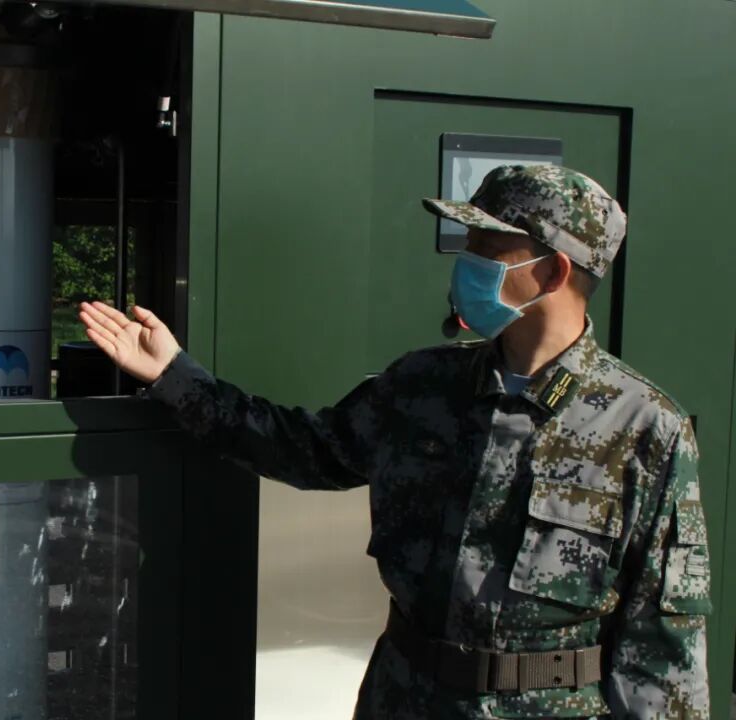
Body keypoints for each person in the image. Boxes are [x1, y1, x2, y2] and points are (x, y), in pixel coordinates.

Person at [77, 164, 712, 719]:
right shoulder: (421, 386)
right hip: (404, 699)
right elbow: (302, 448)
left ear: (553, 272)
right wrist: (174, 376)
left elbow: (663, 644)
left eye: (488, 246)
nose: (466, 259)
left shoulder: (644, 428)